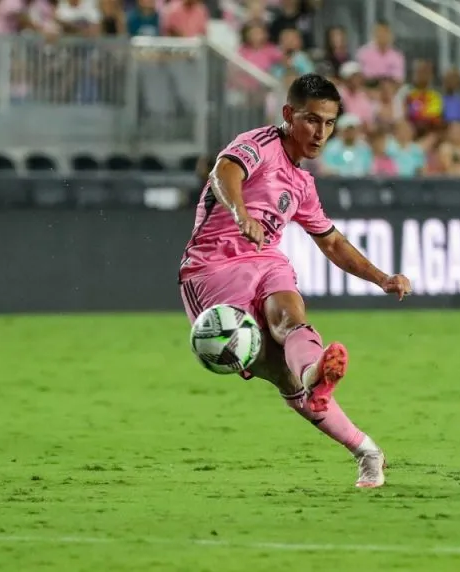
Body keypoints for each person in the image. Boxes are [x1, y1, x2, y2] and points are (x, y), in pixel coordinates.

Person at [178, 74, 412, 489]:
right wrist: (240, 214)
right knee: (277, 371)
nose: (321, 133)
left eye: (329, 123)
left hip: (265, 258)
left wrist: (381, 278)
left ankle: (315, 373)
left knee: (288, 316)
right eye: (311, 120)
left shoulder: (303, 184)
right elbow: (223, 172)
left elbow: (333, 242)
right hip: (213, 267)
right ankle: (365, 448)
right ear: (288, 115)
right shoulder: (259, 144)